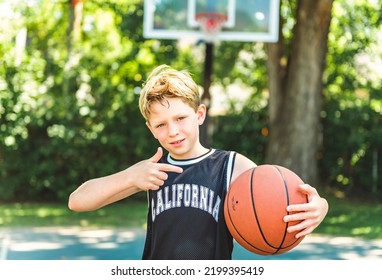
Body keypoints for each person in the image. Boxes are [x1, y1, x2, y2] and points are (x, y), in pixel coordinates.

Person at [68, 64, 329, 260]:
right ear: (151, 129)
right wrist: (129, 177)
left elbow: (286, 197)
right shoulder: (152, 172)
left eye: (180, 118)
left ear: (199, 114)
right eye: (161, 124)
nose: (172, 131)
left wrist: (321, 207)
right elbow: (77, 201)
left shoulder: (230, 166)